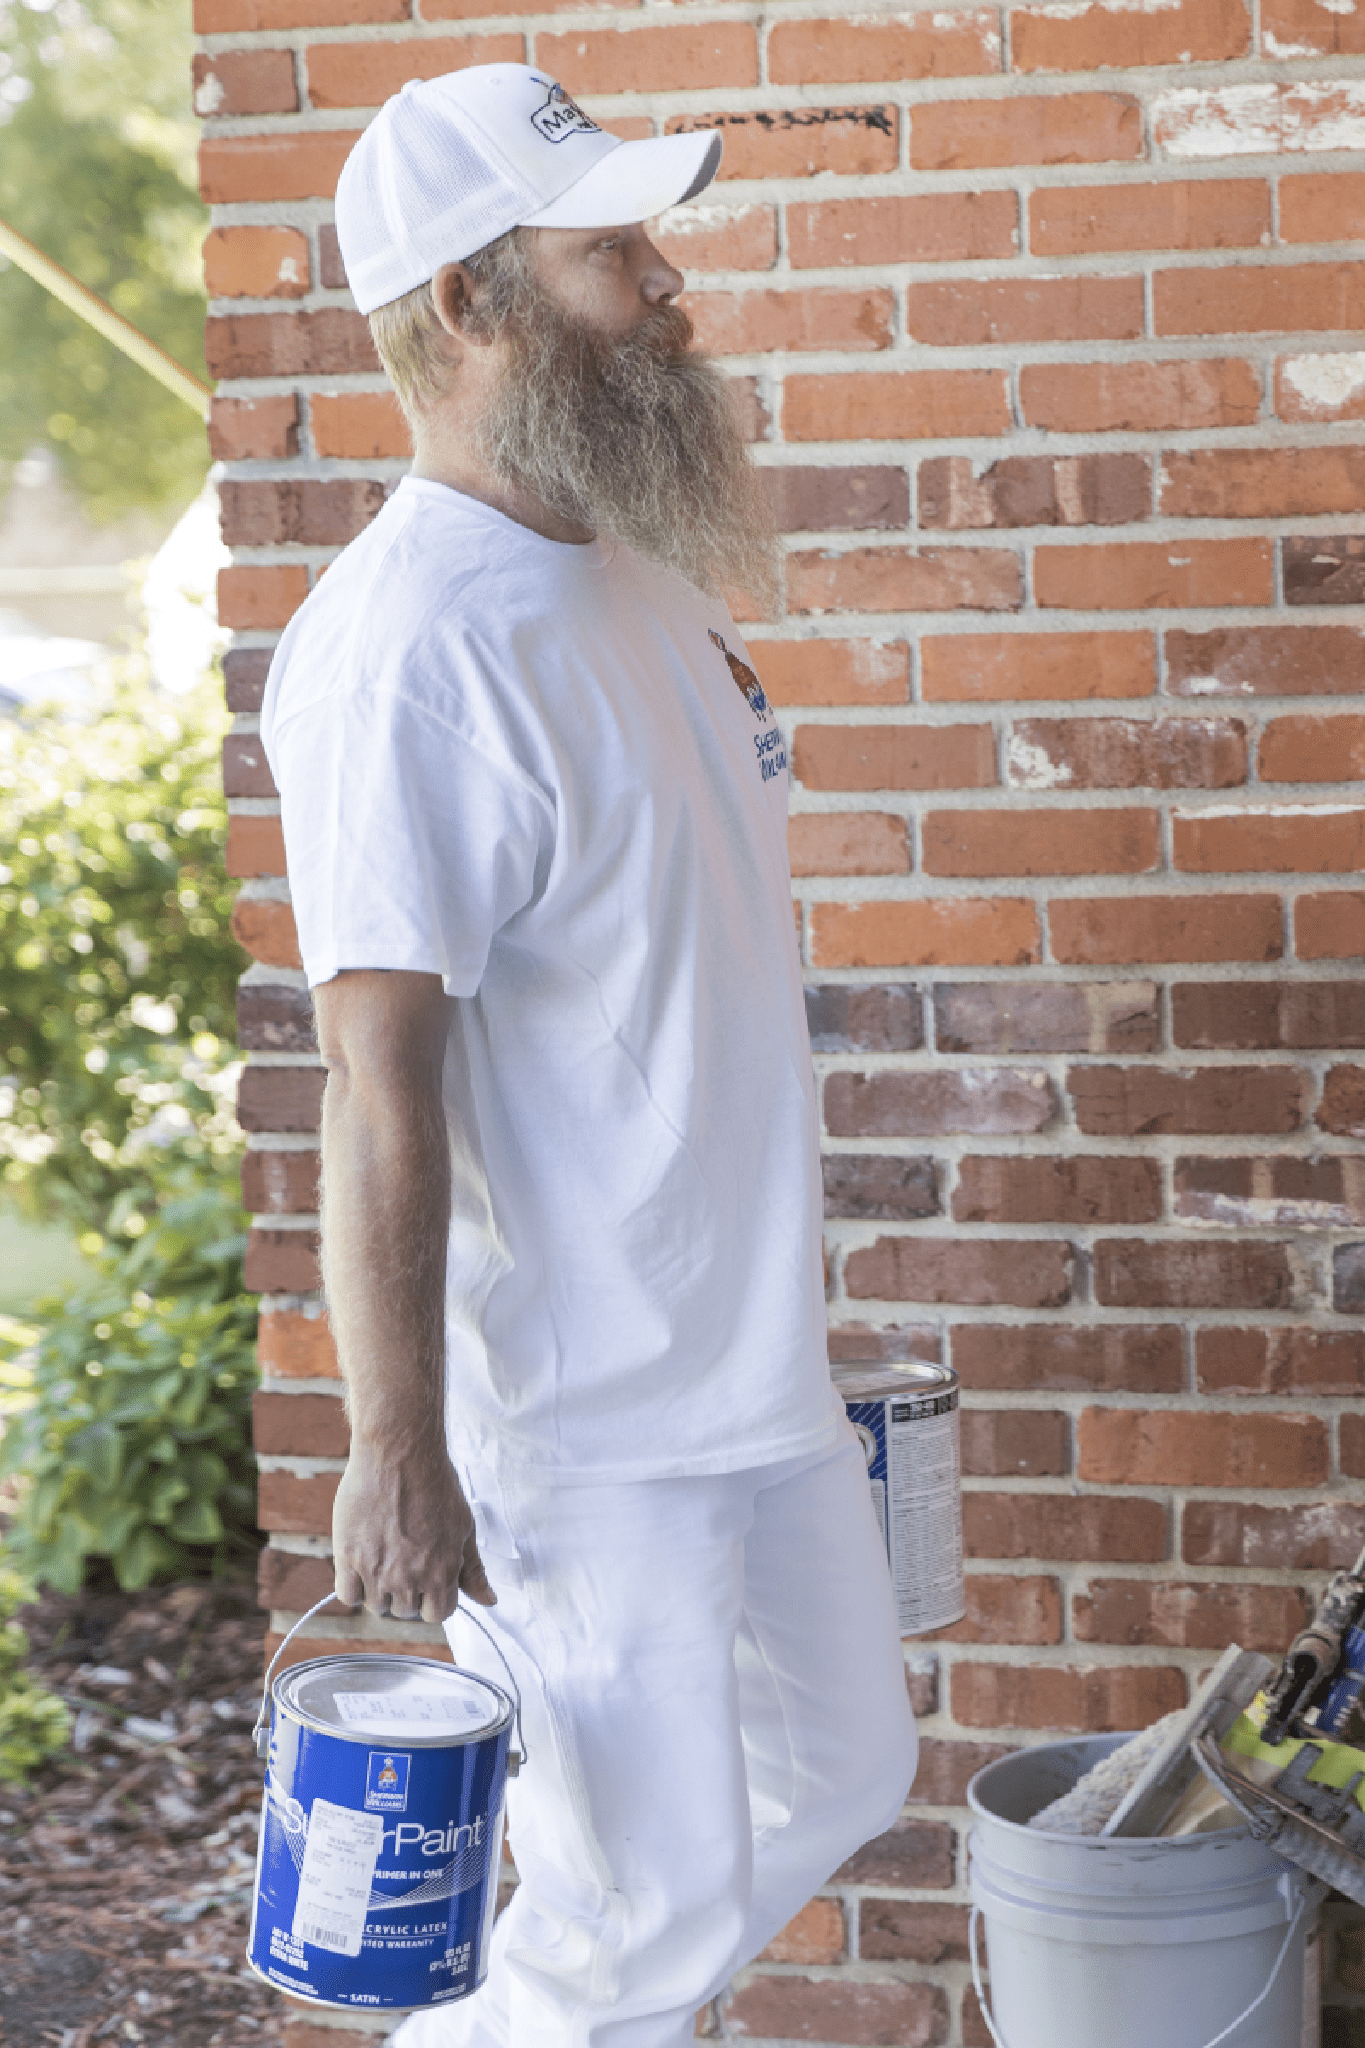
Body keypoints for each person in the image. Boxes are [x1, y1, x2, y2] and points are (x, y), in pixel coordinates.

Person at [259, 61, 918, 2048]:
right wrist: (395, 1439)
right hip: (577, 1425)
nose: (665, 284)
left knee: (845, 1771)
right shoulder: (404, 652)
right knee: (635, 1924)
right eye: (610, 248)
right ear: (469, 304)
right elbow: (377, 1084)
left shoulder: (624, 580)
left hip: (745, 1370)